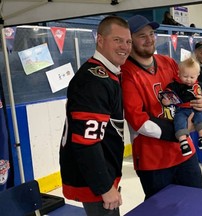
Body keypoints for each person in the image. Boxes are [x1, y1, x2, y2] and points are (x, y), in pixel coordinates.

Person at [121, 15, 202, 200]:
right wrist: (180, 131)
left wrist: (200, 102)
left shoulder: (168, 62)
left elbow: (189, 89)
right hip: (153, 161)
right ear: (129, 40)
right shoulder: (126, 73)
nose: (149, 39)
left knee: (199, 205)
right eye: (142, 35)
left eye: (151, 33)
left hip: (184, 153)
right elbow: (139, 121)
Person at [59, 16, 132, 216]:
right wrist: (104, 187)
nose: (125, 47)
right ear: (100, 40)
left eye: (128, 42)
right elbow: (86, 143)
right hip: (95, 183)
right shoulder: (94, 80)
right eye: (117, 40)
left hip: (102, 175)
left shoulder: (108, 74)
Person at [161, 57, 202, 153]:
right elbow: (169, 96)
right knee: (179, 122)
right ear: (179, 74)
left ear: (197, 76)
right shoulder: (175, 85)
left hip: (196, 108)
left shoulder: (199, 85)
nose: (188, 80)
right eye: (185, 76)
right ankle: (183, 143)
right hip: (181, 109)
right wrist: (167, 102)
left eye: (192, 77)